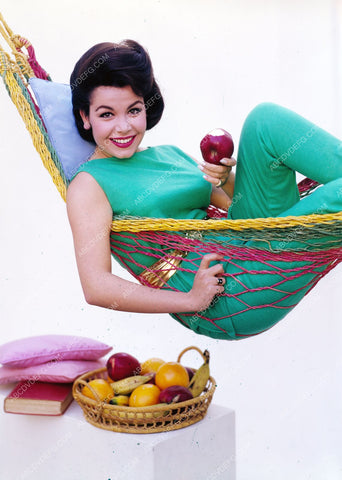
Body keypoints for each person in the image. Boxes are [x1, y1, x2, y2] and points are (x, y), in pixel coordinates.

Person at [66, 40, 342, 340]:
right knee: (336, 199)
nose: (123, 127)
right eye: (107, 115)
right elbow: (96, 286)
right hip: (227, 294)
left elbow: (234, 206)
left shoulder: (168, 154)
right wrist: (191, 300)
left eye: (133, 110)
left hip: (248, 241)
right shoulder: (89, 185)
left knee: (264, 120)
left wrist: (225, 179)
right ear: (84, 116)